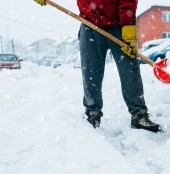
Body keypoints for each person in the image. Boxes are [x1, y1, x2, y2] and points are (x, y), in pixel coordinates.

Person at [33, 0, 161, 133]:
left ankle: (139, 115)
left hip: (119, 27)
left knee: (129, 71)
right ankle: (92, 113)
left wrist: (128, 28)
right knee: (91, 72)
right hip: (90, 26)